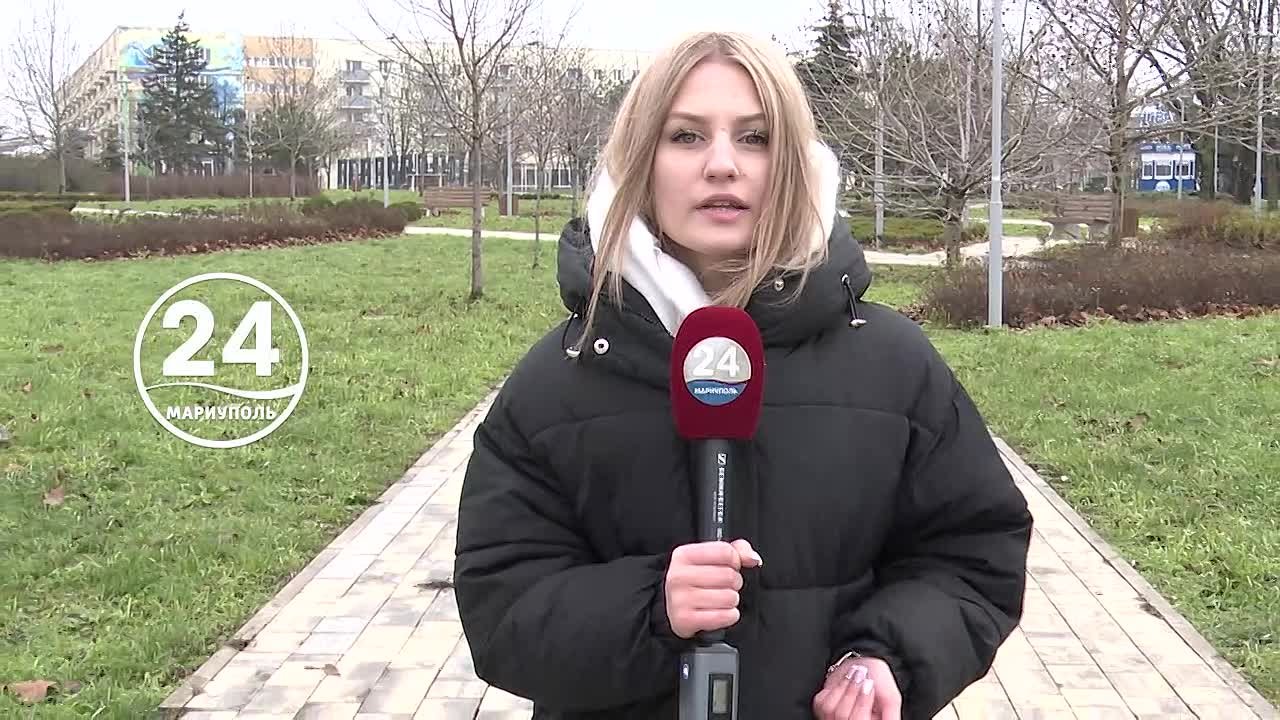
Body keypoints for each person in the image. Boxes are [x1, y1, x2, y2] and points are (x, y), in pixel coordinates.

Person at [453, 30, 1033, 720]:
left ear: (793, 165)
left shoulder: (893, 363)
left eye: (755, 138)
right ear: (639, 160)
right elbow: (502, 609)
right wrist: (652, 608)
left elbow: (973, 552)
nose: (723, 165)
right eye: (686, 136)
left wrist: (887, 658)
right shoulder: (559, 381)